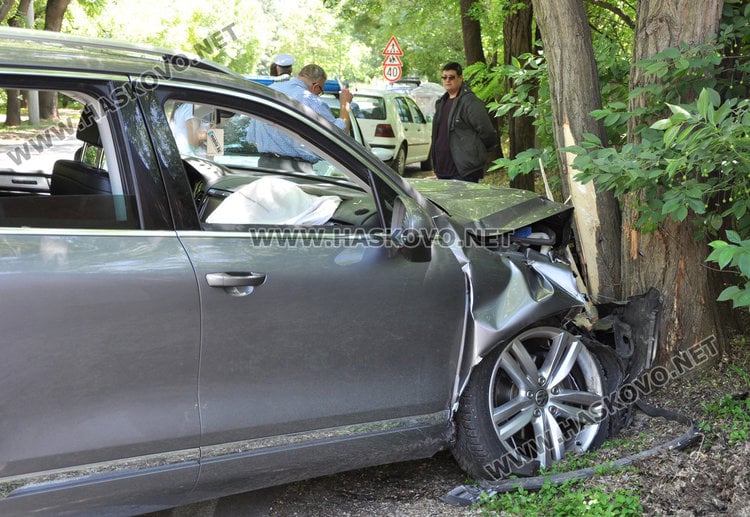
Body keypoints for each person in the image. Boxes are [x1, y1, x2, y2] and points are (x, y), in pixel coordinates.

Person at [247, 64, 353, 170]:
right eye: (320, 91)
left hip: (263, 167)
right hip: (296, 170)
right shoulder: (312, 101)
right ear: (316, 86)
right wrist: (345, 104)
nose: (319, 95)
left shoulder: (267, 92)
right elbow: (339, 135)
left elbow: (252, 138)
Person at [430, 62, 498, 182]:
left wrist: (475, 153)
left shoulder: (470, 102)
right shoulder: (441, 102)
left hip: (464, 171)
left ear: (460, 78)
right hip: (442, 170)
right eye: (444, 77)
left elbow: (487, 132)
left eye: (451, 77)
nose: (447, 80)